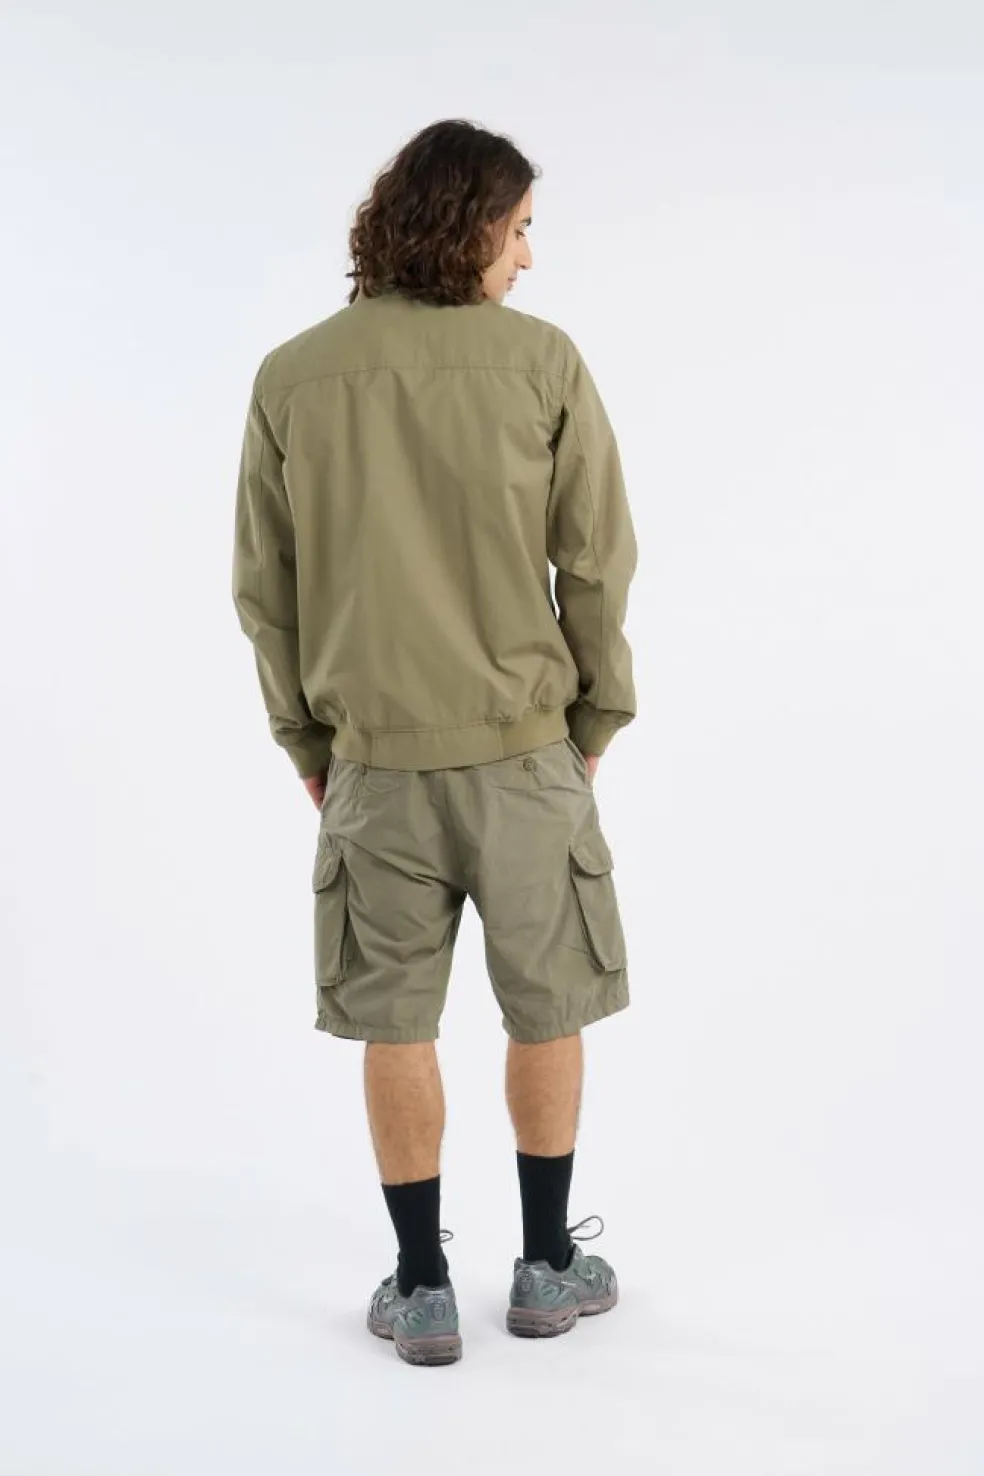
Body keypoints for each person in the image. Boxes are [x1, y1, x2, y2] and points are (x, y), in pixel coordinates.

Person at [232, 119, 638, 1367]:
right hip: (526, 759)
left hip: (373, 770)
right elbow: (596, 564)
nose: (529, 257)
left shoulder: (293, 377)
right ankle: (546, 1266)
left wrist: (309, 744)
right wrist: (593, 721)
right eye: (519, 230)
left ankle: (420, 1287)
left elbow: (266, 591)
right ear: (469, 227)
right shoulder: (542, 363)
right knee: (546, 1009)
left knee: (396, 1025)